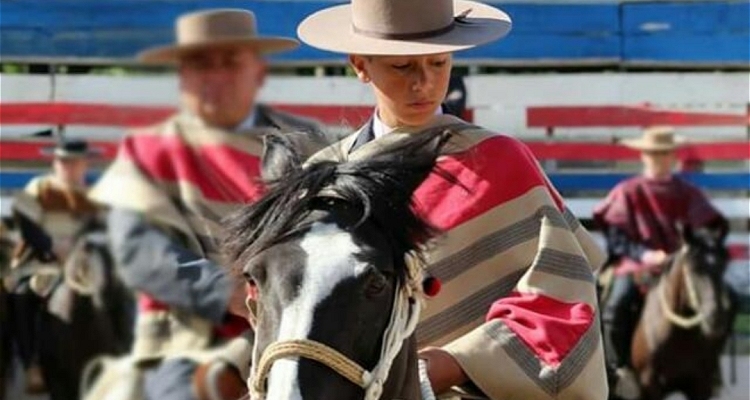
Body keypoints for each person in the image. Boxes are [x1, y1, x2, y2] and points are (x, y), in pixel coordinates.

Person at [296, 0, 609, 398]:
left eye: (439, 63)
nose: (424, 83)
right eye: (402, 66)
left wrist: (458, 362)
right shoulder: (320, 177)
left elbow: (562, 299)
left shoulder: (500, 160)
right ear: (360, 64)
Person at [89, 8, 331, 400]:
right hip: (189, 342)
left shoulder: (309, 147)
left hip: (301, 329)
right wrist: (231, 293)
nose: (216, 76)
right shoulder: (146, 151)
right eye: (201, 65)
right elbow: (139, 251)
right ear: (182, 78)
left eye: (231, 62)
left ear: (259, 73)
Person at [594, 126, 728, 399]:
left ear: (672, 156)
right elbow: (617, 238)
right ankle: (619, 371)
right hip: (636, 264)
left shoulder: (687, 192)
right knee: (616, 301)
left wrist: (687, 251)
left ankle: (710, 367)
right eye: (653, 153)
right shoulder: (628, 192)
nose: (658, 159)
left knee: (724, 300)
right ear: (643, 156)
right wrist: (646, 255)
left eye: (664, 153)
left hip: (684, 265)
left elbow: (709, 230)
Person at [5, 139, 102, 394]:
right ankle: (32, 364)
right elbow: (27, 225)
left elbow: (106, 230)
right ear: (56, 162)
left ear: (84, 164)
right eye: (63, 162)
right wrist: (52, 246)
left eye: (73, 162)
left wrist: (86, 249)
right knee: (23, 295)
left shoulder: (97, 194)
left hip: (88, 264)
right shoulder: (39, 187)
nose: (68, 167)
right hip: (44, 261)